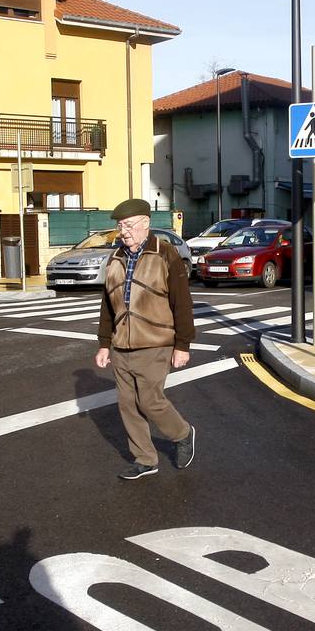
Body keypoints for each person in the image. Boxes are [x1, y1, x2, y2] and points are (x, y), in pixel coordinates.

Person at [95, 199, 196, 481]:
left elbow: (182, 302)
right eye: (120, 225)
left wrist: (182, 344)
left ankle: (183, 433)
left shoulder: (164, 253)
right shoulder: (115, 257)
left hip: (155, 341)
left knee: (150, 401)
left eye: (128, 225)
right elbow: (107, 304)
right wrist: (104, 343)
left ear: (145, 224)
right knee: (127, 404)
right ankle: (145, 459)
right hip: (122, 345)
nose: (123, 231)